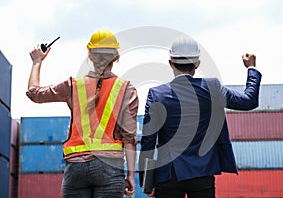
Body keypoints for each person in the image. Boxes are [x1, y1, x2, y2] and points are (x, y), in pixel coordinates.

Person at [138, 37, 262, 198]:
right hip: (203, 172)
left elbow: (148, 142)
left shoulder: (157, 94)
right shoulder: (212, 88)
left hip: (168, 175)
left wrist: (147, 183)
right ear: (197, 64)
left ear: (171, 63)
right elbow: (249, 101)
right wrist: (251, 68)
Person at [26, 29, 139, 198]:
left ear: (90, 55)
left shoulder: (73, 85)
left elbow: (34, 93)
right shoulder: (126, 90)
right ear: (116, 56)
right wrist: (130, 175)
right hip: (110, 167)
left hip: (76, 166)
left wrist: (36, 62)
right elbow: (129, 138)